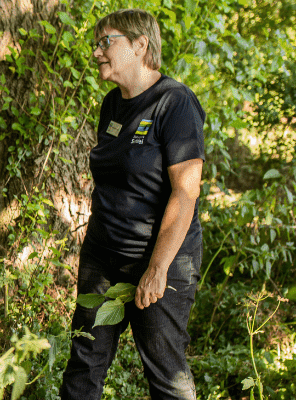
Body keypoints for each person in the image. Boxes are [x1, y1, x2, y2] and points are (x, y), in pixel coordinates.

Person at [60, 9, 205, 400]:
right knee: (83, 364)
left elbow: (185, 191)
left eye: (106, 41)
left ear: (140, 45)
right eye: (97, 43)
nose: (96, 52)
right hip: (103, 259)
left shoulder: (175, 104)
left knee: (165, 372)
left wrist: (157, 268)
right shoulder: (112, 104)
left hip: (162, 262)